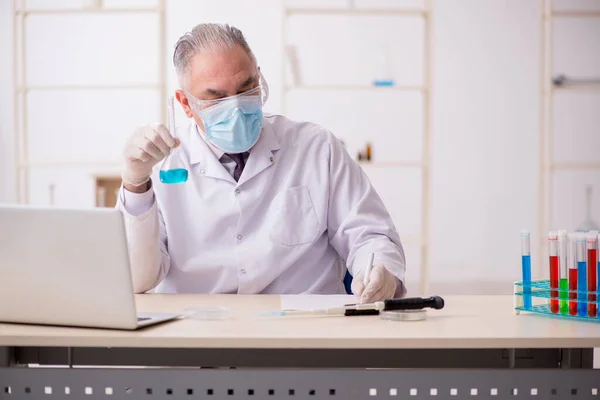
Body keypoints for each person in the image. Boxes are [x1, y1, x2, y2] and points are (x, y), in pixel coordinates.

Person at [117, 23, 406, 303]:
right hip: (196, 331)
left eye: (246, 88)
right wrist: (135, 182)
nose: (236, 106)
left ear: (259, 78)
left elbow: (369, 233)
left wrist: (380, 270)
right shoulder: (162, 163)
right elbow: (138, 280)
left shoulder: (316, 148)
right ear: (185, 104)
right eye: (215, 98)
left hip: (305, 329)